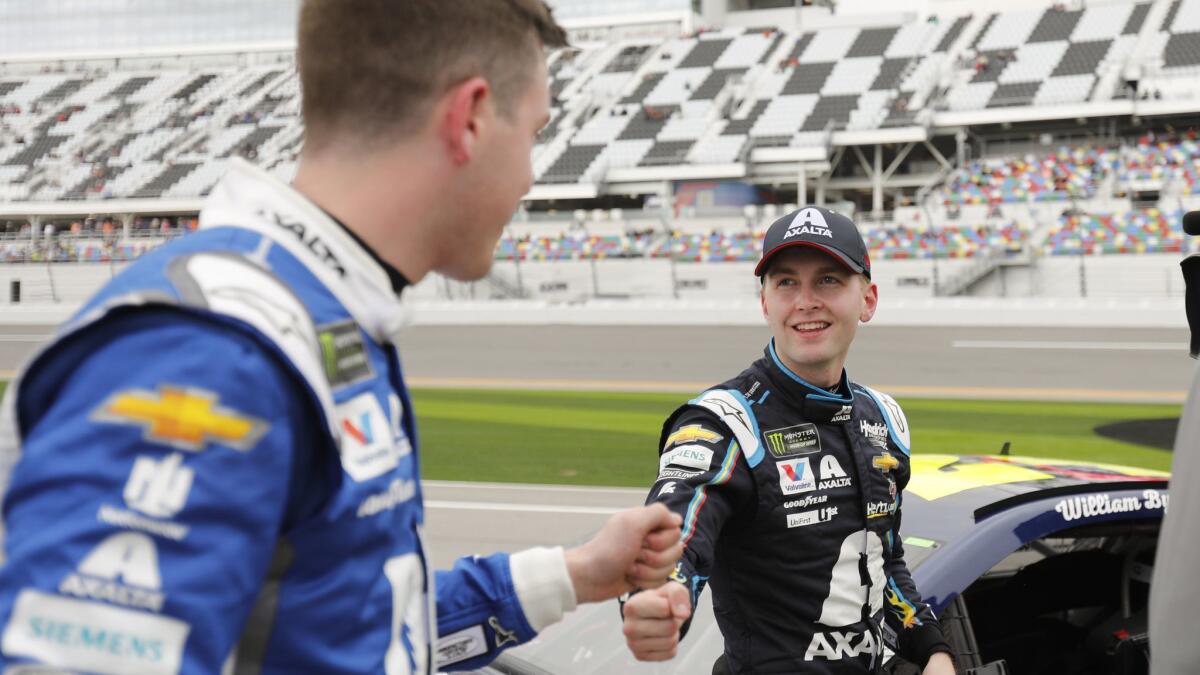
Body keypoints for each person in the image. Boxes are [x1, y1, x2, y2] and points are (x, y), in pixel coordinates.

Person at [0, 1, 683, 673]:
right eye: (534, 134)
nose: (531, 177)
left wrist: (573, 574)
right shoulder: (212, 351)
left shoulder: (316, 314)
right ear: (470, 117)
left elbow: (348, 622)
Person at [621, 206, 956, 674]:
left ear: (868, 299)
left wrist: (933, 649)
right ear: (765, 302)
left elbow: (886, 560)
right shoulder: (724, 422)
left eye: (828, 280)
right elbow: (677, 531)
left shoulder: (885, 418)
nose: (805, 300)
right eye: (786, 282)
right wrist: (659, 593)